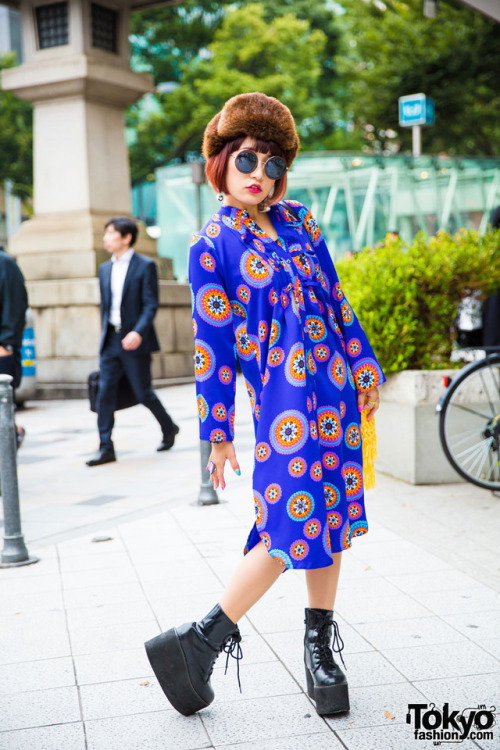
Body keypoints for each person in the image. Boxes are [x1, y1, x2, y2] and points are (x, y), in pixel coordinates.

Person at [144, 93, 385, 717]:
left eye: (275, 164)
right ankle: (201, 640)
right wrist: (217, 432)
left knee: (329, 520)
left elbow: (337, 299)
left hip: (336, 397)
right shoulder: (210, 246)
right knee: (288, 527)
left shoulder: (301, 221)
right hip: (283, 411)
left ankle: (317, 644)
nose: (261, 174)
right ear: (221, 161)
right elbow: (212, 349)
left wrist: (363, 364)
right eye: (248, 158)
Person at [86, 217, 179, 467]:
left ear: (126, 238)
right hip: (111, 340)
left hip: (135, 340)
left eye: (110, 233)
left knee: (143, 393)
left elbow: (150, 303)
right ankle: (105, 446)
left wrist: (138, 332)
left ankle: (169, 427)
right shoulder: (104, 268)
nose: (106, 238)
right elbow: (108, 306)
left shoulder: (144, 266)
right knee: (104, 392)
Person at [0, 249, 28, 449]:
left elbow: (16, 305)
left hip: (3, 348)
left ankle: (14, 434)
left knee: (3, 404)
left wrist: (6, 343)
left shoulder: (5, 264)